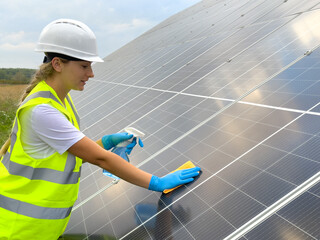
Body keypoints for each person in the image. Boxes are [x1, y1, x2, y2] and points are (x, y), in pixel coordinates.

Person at [0, 19, 201, 240]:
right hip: (17, 229)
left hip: (33, 228)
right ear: (57, 64)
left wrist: (108, 141)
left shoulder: (58, 101)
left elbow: (70, 153)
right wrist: (158, 183)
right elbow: (100, 159)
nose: (91, 73)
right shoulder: (42, 112)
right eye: (84, 66)